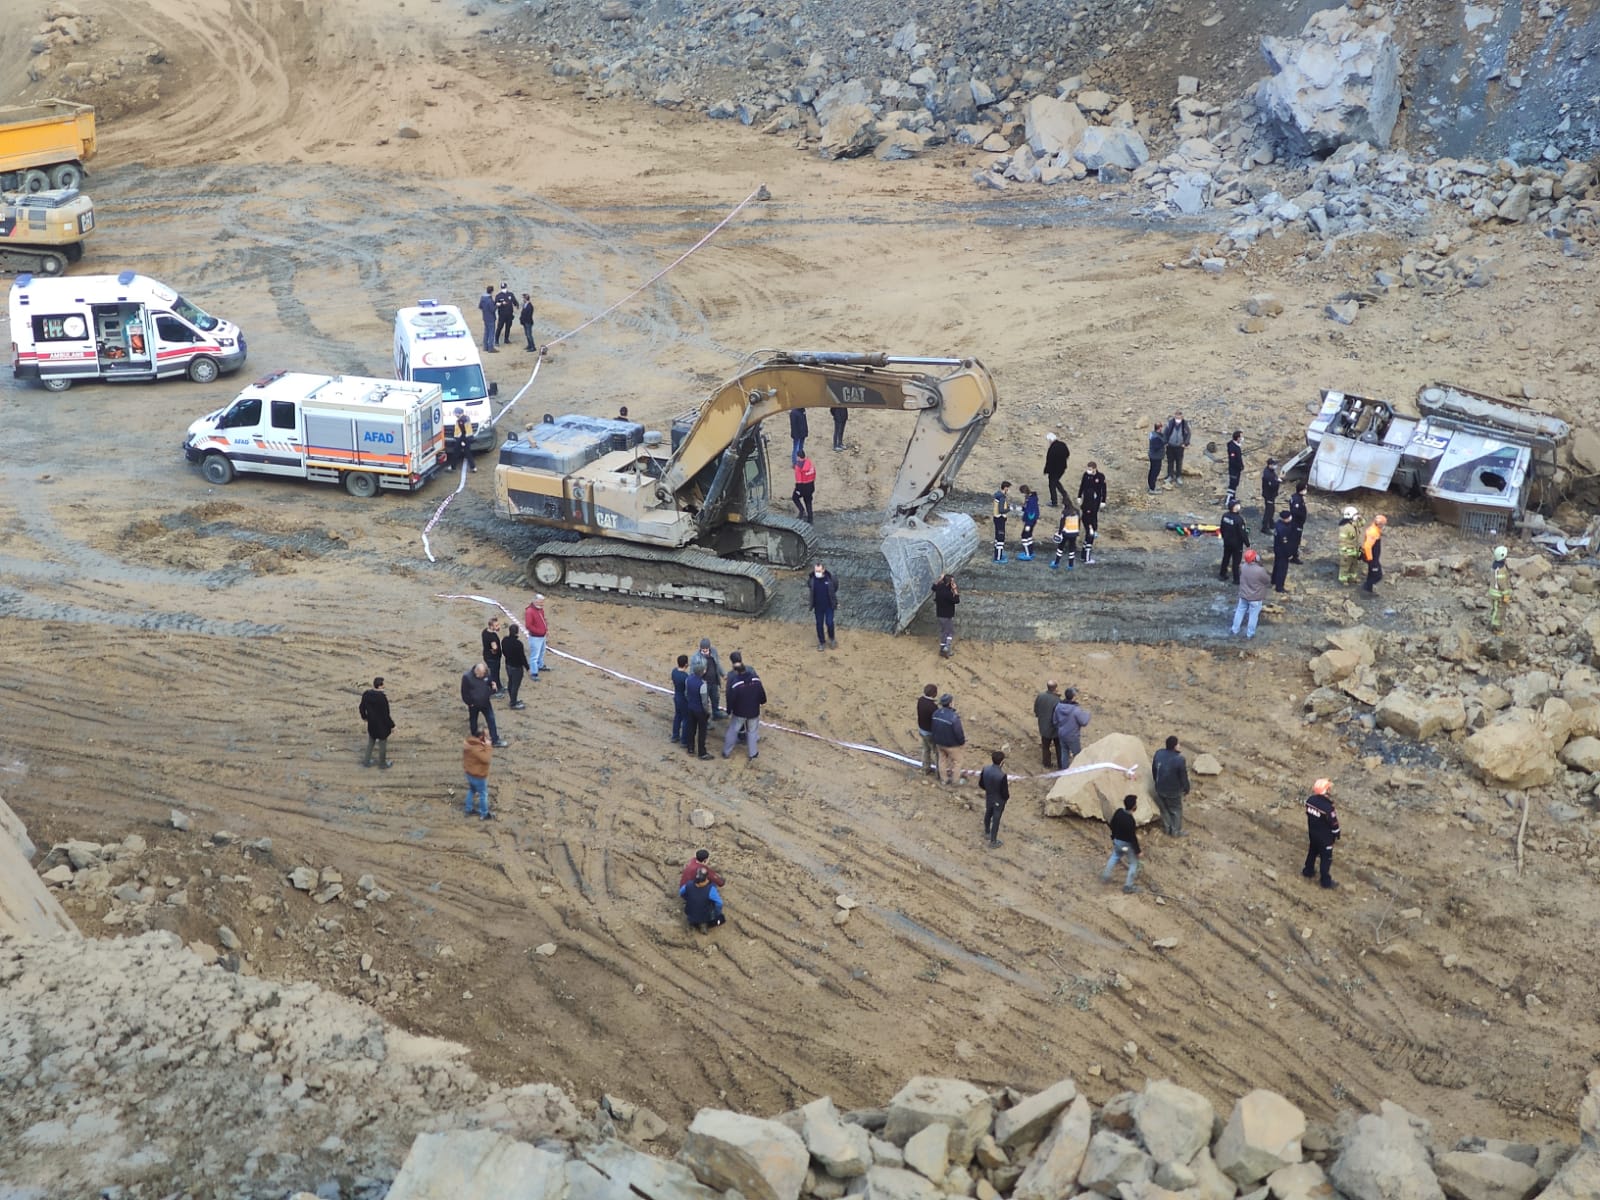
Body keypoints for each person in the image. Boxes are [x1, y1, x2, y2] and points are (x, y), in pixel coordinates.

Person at [721, 650, 767, 759]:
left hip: (739, 711)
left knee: (733, 730)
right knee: (752, 732)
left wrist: (729, 709)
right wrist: (761, 701)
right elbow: (760, 691)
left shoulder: (733, 679)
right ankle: (753, 753)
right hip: (753, 710)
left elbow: (730, 695)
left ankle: (726, 752)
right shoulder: (754, 676)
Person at [1303, 777, 1341, 889]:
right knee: (1326, 859)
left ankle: (1308, 871)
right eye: (1328, 788)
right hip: (1325, 838)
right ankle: (1325, 881)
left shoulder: (1310, 801)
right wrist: (1336, 833)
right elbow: (1334, 824)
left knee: (1312, 852)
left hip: (1313, 833)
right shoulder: (1328, 807)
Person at [1150, 735, 1191, 837]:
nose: (1179, 745)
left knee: (1164, 809)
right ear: (1175, 746)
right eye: (1178, 744)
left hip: (1159, 788)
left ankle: (1167, 828)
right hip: (1172, 791)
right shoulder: (1179, 760)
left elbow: (1154, 769)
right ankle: (1175, 831)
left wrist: (1157, 781)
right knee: (1176, 810)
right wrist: (1186, 788)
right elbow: (1183, 777)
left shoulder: (1159, 753)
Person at [460, 662, 507, 747]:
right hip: (474, 704)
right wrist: (469, 703)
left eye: (483, 674)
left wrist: (494, 688)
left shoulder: (486, 674)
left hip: (485, 703)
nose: (482, 676)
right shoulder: (467, 677)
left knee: (491, 720)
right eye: (480, 674)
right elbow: (464, 692)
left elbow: (490, 685)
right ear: (476, 671)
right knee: (473, 720)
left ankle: (495, 740)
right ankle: (474, 735)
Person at [1101, 794, 1141, 894]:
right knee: (1133, 863)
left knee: (1115, 856)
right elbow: (1133, 838)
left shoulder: (1119, 812)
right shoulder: (1130, 821)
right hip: (1126, 846)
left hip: (1117, 841)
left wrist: (1113, 836)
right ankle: (1128, 886)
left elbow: (1112, 824)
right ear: (1134, 807)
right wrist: (1138, 851)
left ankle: (1105, 876)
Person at [1232, 549, 1271, 638]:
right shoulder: (1260, 570)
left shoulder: (1243, 567)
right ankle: (1250, 634)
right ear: (1254, 558)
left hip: (1243, 595)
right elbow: (1267, 580)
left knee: (1239, 612)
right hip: (1255, 598)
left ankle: (1234, 630)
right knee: (1253, 616)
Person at [930, 693, 966, 786]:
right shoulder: (954, 717)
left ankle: (944, 780)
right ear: (950, 703)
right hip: (952, 745)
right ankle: (955, 781)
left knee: (942, 761)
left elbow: (933, 727)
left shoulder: (936, 713)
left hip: (939, 743)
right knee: (958, 762)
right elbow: (958, 732)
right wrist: (962, 742)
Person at [359, 676, 394, 769]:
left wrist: (364, 717)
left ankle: (366, 761)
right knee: (382, 744)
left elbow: (361, 707)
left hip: (372, 724)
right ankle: (382, 764)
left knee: (371, 742)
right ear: (379, 686)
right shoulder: (382, 698)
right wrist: (392, 725)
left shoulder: (366, 694)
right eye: (383, 685)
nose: (384, 686)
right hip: (382, 726)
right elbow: (386, 714)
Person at [1051, 687, 1090, 769]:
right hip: (1072, 736)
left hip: (1062, 734)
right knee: (1077, 754)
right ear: (1073, 697)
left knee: (1064, 753)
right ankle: (1077, 772)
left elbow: (1055, 721)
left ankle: (1064, 771)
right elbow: (1084, 722)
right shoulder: (1076, 710)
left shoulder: (1058, 706)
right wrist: (1088, 714)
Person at [979, 750, 1010, 848]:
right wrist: (1005, 798)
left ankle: (987, 831)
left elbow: (981, 784)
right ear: (1002, 762)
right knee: (996, 819)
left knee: (988, 812)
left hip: (989, 796)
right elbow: (1004, 792)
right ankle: (993, 841)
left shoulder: (986, 769)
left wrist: (988, 790)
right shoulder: (1002, 776)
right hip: (999, 800)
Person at [462, 728, 493, 820]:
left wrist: (483, 744)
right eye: (486, 736)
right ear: (481, 737)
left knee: (472, 790)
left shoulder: (469, 743)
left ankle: (468, 809)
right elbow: (486, 759)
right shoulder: (477, 748)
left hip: (469, 773)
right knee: (483, 794)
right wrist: (488, 746)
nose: (489, 738)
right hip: (478, 776)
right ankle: (484, 814)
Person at [1078, 462, 1106, 564]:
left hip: (1091, 507)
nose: (1088, 470)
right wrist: (1079, 495)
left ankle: (1083, 555)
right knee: (1090, 536)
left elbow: (1103, 489)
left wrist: (1103, 501)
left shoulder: (1100, 477)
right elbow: (1082, 486)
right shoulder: (1086, 476)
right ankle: (1087, 558)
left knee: (1089, 533)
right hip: (1089, 509)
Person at [684, 663, 713, 760]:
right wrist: (707, 712)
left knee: (691, 728)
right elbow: (704, 702)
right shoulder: (702, 685)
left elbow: (686, 693)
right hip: (700, 711)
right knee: (702, 732)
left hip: (690, 707)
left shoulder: (689, 679)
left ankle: (690, 748)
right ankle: (702, 752)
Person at [690, 637, 724, 718]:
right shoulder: (695, 657)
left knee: (715, 698)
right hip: (704, 683)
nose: (704, 650)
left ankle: (716, 713)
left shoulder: (714, 652)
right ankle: (705, 719)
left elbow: (717, 664)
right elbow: (692, 671)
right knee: (704, 702)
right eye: (703, 648)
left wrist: (723, 674)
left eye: (706, 648)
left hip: (714, 681)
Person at [808, 562, 838, 651]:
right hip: (818, 607)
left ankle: (832, 639)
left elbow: (835, 587)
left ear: (823, 570)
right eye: (816, 571)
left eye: (819, 571)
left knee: (829, 622)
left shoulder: (830, 579)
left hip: (829, 606)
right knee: (819, 624)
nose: (817, 572)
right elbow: (809, 586)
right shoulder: (812, 580)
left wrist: (834, 602)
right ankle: (822, 642)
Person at [1218, 500, 1249, 584]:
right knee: (1236, 561)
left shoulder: (1225, 516)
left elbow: (1222, 528)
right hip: (1236, 544)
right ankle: (1236, 579)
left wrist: (1224, 537)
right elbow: (1242, 533)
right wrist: (1247, 543)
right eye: (1238, 505)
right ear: (1234, 507)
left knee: (1226, 558)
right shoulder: (1239, 519)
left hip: (1227, 541)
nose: (1239, 506)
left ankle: (1222, 574)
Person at [1034, 680, 1061, 768]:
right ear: (1055, 688)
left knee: (1045, 747)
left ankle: (1047, 763)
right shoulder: (1057, 700)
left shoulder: (1040, 696)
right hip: (1054, 729)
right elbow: (1058, 716)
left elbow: (1036, 710)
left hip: (1043, 727)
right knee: (1058, 747)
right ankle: (1061, 764)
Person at [931, 573, 959, 657]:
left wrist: (940, 579)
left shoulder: (939, 588)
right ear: (949, 582)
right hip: (947, 615)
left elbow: (933, 587)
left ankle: (942, 648)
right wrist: (955, 589)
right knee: (950, 632)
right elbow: (957, 600)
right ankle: (946, 649)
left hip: (940, 614)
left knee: (944, 632)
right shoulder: (948, 593)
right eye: (952, 581)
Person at [503, 622, 529, 710]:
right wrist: (527, 667)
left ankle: (512, 700)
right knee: (515, 685)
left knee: (510, 682)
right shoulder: (518, 644)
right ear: (517, 632)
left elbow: (504, 652)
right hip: (516, 667)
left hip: (508, 665)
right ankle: (513, 703)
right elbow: (522, 657)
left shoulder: (505, 640)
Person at [1049, 500, 1081, 570]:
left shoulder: (1065, 512)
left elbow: (1062, 523)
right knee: (1072, 548)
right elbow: (1079, 521)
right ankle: (1070, 565)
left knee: (1060, 547)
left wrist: (1059, 533)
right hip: (1074, 532)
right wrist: (1078, 531)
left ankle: (1056, 563)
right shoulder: (1077, 511)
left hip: (1066, 532)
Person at [523, 595, 550, 678]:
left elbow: (543, 620)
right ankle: (534, 673)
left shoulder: (540, 609)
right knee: (534, 656)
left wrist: (546, 630)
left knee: (541, 652)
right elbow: (528, 625)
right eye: (541, 602)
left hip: (542, 636)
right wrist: (540, 631)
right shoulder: (529, 611)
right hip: (535, 637)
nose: (542, 604)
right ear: (536, 601)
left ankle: (540, 665)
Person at [1488, 544, 1513, 632]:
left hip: (1494, 592)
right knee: (1499, 611)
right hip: (1498, 594)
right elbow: (1502, 584)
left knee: (1495, 609)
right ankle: (1495, 628)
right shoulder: (1501, 569)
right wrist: (1506, 594)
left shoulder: (1495, 566)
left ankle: (1494, 624)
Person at [916, 683, 938, 777]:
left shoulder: (920, 700)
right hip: (930, 732)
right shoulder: (932, 707)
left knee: (925, 750)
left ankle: (925, 769)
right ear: (934, 694)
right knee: (937, 752)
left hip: (922, 730)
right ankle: (939, 773)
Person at [1361, 514, 1387, 594]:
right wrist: (1370, 559)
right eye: (1383, 524)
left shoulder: (1374, 529)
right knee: (1377, 575)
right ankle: (1367, 588)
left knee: (1371, 573)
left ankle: (1368, 588)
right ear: (1379, 524)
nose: (1384, 526)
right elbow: (1367, 546)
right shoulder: (1373, 532)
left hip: (1373, 557)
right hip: (1372, 558)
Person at [1271, 509, 1294, 594]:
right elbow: (1285, 544)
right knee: (1282, 569)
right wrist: (1289, 554)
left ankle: (1273, 580)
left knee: (1276, 565)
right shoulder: (1284, 529)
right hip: (1282, 552)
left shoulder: (1278, 524)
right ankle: (1279, 587)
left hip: (1277, 549)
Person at [1163, 410, 1191, 484]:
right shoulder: (1170, 423)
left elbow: (1188, 434)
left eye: (1179, 416)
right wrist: (1165, 442)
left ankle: (1178, 477)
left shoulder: (1185, 424)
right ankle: (1170, 476)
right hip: (1170, 446)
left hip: (1180, 447)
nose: (1178, 417)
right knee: (1170, 462)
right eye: (1176, 415)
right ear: (1174, 415)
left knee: (1179, 462)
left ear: (1182, 416)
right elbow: (1165, 433)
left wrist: (1185, 443)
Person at [1337, 505, 1362, 585]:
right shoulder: (1345, 527)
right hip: (1347, 550)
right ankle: (1343, 580)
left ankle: (1352, 578)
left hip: (1354, 549)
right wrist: (1345, 552)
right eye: (1355, 515)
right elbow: (1345, 540)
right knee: (1345, 566)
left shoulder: (1353, 524)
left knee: (1354, 565)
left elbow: (1362, 523)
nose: (1357, 516)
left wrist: (1359, 517)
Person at [670, 654, 692, 745]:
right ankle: (684, 740)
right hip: (683, 699)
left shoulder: (674, 671)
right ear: (686, 665)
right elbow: (688, 691)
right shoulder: (686, 677)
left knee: (678, 716)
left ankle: (675, 735)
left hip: (677, 697)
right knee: (686, 719)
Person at [1044, 433, 1069, 507]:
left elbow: (1049, 461)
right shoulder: (1063, 444)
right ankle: (1064, 494)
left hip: (1053, 471)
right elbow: (1067, 454)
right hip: (1062, 469)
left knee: (1052, 485)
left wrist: (1046, 470)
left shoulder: (1052, 448)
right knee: (1056, 481)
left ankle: (1054, 502)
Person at [1017, 485, 1041, 561]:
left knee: (1024, 536)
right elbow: (1027, 509)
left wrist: (1028, 524)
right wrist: (1020, 508)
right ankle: (1030, 551)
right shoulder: (1032, 498)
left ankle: (1027, 554)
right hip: (1032, 521)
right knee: (1029, 535)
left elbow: (1030, 513)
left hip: (1029, 521)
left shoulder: (1030, 500)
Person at [449, 408, 476, 473]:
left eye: (455, 413)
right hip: (467, 438)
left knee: (456, 453)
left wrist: (462, 441)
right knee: (468, 453)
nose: (455, 414)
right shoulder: (466, 418)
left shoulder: (460, 421)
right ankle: (473, 467)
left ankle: (453, 467)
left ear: (458, 413)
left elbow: (463, 431)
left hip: (462, 439)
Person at [991, 481, 1012, 563]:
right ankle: (998, 558)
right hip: (1000, 519)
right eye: (1009, 488)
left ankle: (997, 554)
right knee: (1000, 538)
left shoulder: (997, 495)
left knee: (997, 537)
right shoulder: (1002, 497)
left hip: (996, 518)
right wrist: (1009, 509)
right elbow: (1001, 510)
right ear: (1006, 488)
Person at [1288, 482, 1309, 564]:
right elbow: (1294, 511)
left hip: (1297, 523)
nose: (1306, 490)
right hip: (1297, 524)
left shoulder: (1295, 497)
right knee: (1295, 540)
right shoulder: (1298, 500)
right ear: (1301, 490)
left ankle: (1292, 554)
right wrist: (1301, 517)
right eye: (1305, 489)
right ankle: (1294, 557)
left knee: (1294, 539)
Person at [792, 450, 816, 522]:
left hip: (802, 487)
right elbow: (814, 475)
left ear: (798, 457)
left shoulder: (798, 466)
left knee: (795, 497)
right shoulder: (810, 463)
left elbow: (798, 480)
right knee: (808, 502)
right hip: (811, 486)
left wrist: (798, 490)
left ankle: (802, 511)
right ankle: (810, 519)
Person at [481, 616, 503, 691]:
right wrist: (495, 649)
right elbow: (494, 648)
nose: (498, 627)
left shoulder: (484, 631)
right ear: (491, 626)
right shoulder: (492, 637)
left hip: (487, 656)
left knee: (495, 674)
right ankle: (494, 691)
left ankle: (499, 686)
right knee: (494, 675)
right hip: (493, 659)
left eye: (498, 624)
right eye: (496, 626)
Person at [1259, 458, 1280, 535]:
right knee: (1269, 511)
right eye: (1274, 464)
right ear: (1270, 465)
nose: (1276, 466)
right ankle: (1264, 527)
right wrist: (1278, 481)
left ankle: (1271, 523)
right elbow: (1273, 485)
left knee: (1271, 509)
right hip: (1269, 495)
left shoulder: (1271, 471)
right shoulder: (1268, 475)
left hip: (1271, 494)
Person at [477, 285, 497, 352]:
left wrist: (485, 310)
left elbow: (480, 307)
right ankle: (490, 348)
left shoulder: (482, 298)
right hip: (491, 318)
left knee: (486, 332)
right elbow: (493, 310)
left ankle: (485, 347)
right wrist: (497, 305)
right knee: (491, 333)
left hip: (485, 317)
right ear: (492, 291)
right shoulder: (489, 300)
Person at [1146, 423, 1166, 494]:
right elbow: (1156, 447)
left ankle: (1151, 486)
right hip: (1156, 457)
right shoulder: (1156, 438)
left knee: (1152, 471)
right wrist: (1164, 442)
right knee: (1155, 472)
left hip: (1153, 456)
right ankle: (1152, 489)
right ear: (1159, 428)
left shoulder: (1152, 434)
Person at [1226, 430, 1244, 503]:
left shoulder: (1236, 446)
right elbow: (1233, 460)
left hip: (1237, 469)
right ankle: (1228, 500)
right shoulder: (1233, 447)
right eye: (1241, 436)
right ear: (1238, 438)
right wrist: (1239, 466)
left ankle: (1232, 498)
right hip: (1234, 469)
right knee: (1232, 484)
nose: (1242, 438)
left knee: (1235, 483)